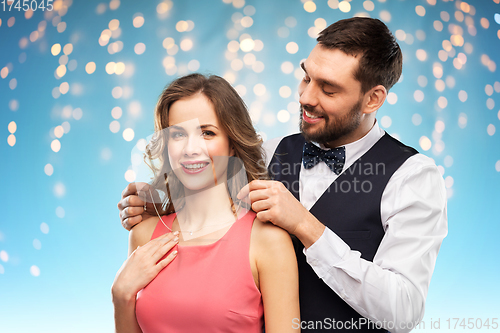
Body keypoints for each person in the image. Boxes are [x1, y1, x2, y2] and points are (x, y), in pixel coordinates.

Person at [118, 18, 448, 333]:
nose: (306, 97)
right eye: (306, 78)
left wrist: (307, 227)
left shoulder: (413, 178)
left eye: (328, 89)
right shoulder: (267, 153)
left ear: (373, 98)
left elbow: (404, 311)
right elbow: (211, 208)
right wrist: (163, 203)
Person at [112, 74, 299, 333]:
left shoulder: (268, 241)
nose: (191, 149)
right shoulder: (143, 234)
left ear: (232, 144)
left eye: (207, 133)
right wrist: (120, 297)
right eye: (178, 134)